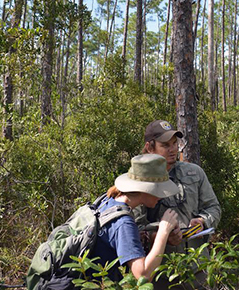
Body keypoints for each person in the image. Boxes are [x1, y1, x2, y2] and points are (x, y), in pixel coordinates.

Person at [134, 120, 222, 290]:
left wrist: (202, 221)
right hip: (162, 274)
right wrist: (161, 236)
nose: (173, 149)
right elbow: (134, 229)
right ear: (149, 147)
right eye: (165, 145)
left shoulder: (195, 173)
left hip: (198, 269)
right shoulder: (139, 181)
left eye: (175, 143)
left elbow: (213, 207)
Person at [91, 153, 179, 283]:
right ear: (145, 189)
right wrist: (163, 231)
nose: (162, 196)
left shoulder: (107, 200)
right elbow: (143, 275)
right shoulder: (123, 222)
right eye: (159, 190)